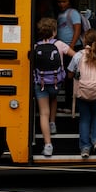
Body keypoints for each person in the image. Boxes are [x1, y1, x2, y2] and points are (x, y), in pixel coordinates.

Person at [66, 29, 96, 159]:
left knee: (84, 119)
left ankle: (85, 148)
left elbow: (69, 74)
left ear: (84, 40)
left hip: (82, 92)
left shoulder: (78, 55)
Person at [33, 18, 75, 157]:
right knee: (54, 98)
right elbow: (75, 56)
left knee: (43, 113)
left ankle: (48, 145)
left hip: (41, 83)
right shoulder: (59, 44)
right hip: (57, 83)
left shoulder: (35, 46)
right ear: (54, 31)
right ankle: (53, 123)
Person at [56, 0, 83, 113]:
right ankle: (67, 104)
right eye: (59, 1)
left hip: (72, 48)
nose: (61, 4)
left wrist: (71, 45)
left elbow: (77, 29)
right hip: (63, 48)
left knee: (70, 77)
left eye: (64, 1)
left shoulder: (73, 13)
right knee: (66, 77)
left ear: (70, 1)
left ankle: (71, 105)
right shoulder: (60, 14)